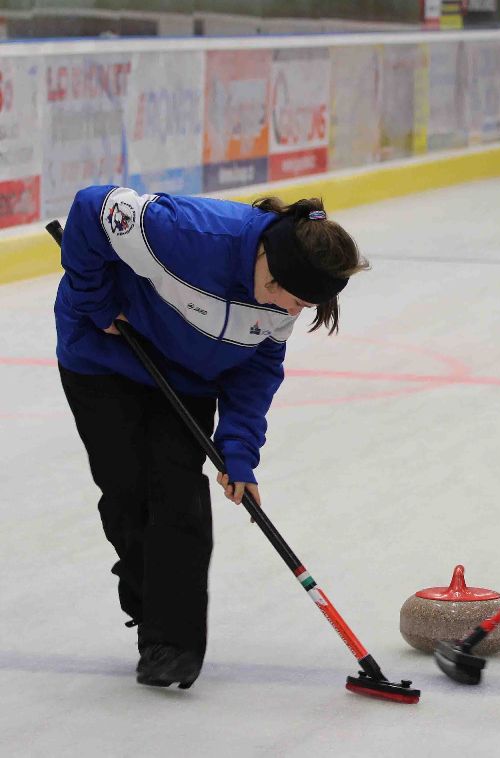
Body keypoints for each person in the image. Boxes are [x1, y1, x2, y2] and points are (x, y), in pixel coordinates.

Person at [55, 186, 367, 690]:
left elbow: (257, 370)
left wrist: (239, 452)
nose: (290, 312)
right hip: (104, 356)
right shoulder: (187, 232)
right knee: (126, 491)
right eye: (291, 298)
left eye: (303, 306)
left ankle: (172, 644)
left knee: (177, 491)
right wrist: (96, 301)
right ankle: (146, 603)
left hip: (187, 377)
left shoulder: (284, 301)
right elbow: (92, 207)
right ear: (268, 263)